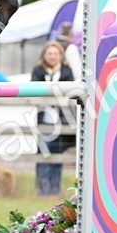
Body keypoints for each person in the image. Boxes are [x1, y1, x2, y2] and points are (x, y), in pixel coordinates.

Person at [30, 41, 75, 196]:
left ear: (60, 56)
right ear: (44, 55)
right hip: (44, 119)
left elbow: (70, 92)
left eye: (55, 54)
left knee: (57, 156)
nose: (52, 56)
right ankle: (42, 190)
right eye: (50, 53)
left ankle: (54, 190)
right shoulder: (38, 71)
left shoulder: (67, 71)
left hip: (62, 120)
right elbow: (34, 90)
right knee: (43, 154)